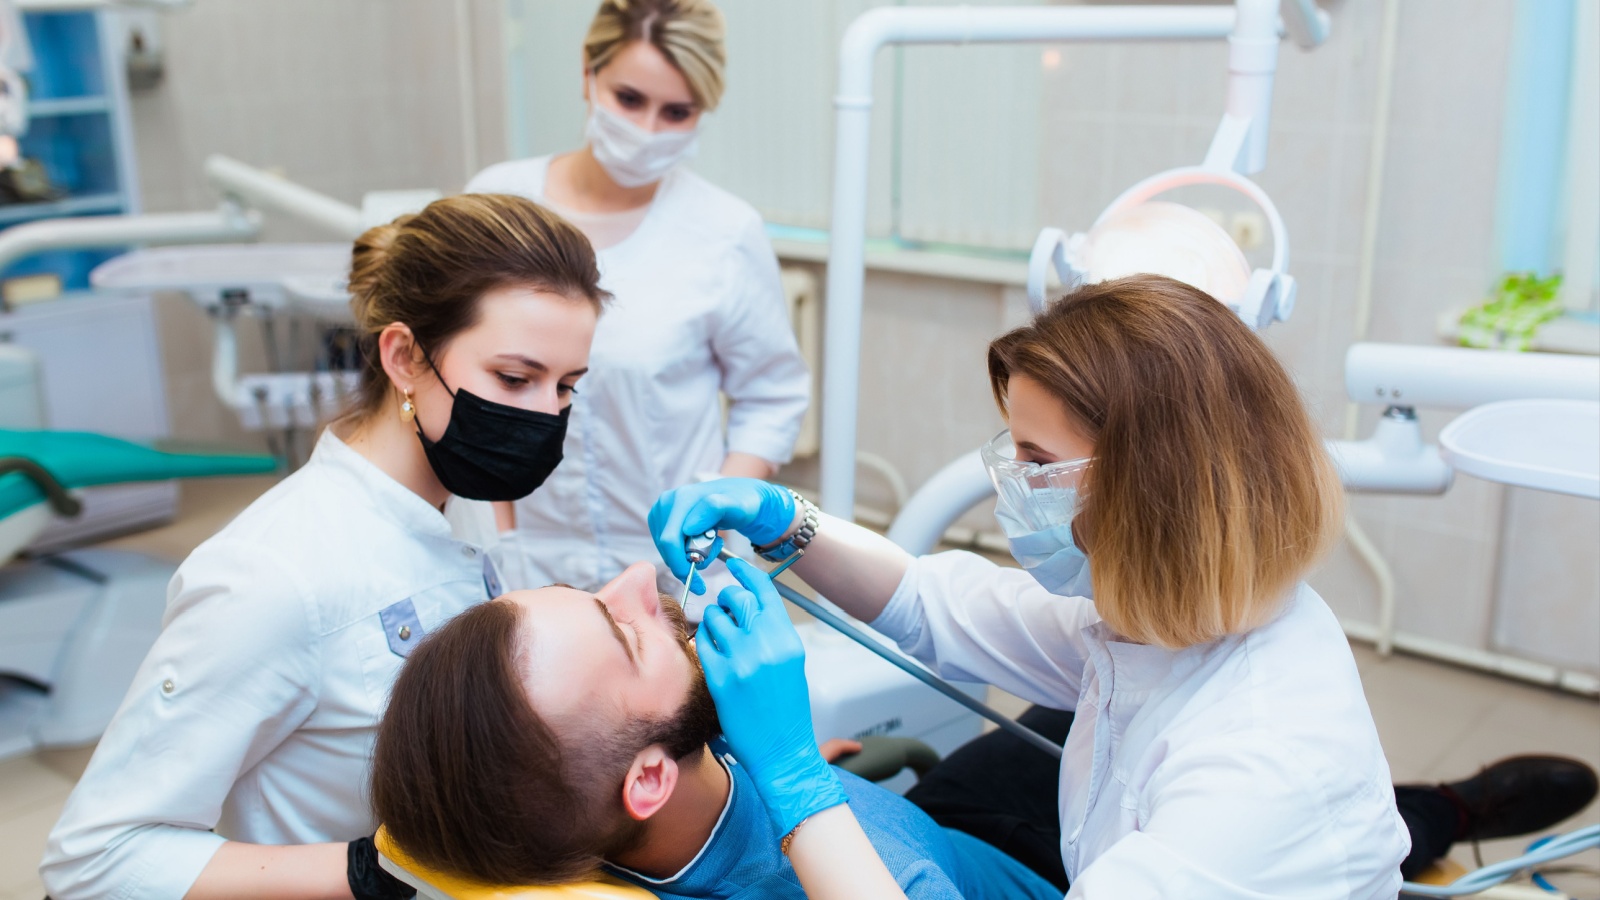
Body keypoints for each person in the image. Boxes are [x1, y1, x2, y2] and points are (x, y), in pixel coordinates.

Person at [653, 275, 1415, 898]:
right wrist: (788, 524)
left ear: (1153, 488)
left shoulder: (1252, 774)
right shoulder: (1165, 620)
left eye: (1035, 460)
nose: (1010, 486)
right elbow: (936, 605)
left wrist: (794, 780)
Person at [40, 194, 608, 900]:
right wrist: (371, 872)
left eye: (566, 388)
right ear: (403, 356)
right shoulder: (275, 575)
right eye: (514, 379)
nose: (544, 416)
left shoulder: (462, 507)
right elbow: (96, 860)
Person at [370, 561, 1059, 900]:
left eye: (592, 593)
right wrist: (793, 778)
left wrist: (780, 762)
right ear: (648, 779)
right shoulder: (878, 878)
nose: (639, 578)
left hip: (937, 822)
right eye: (624, 631)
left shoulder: (592, 798)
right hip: (1019, 868)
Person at [465, 0, 808, 600]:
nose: (647, 130)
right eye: (629, 99)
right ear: (587, 72)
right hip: (523, 556)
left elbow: (772, 397)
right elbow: (465, 379)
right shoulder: (498, 203)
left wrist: (711, 519)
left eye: (677, 111)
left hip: (677, 566)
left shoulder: (723, 232)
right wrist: (501, 536)